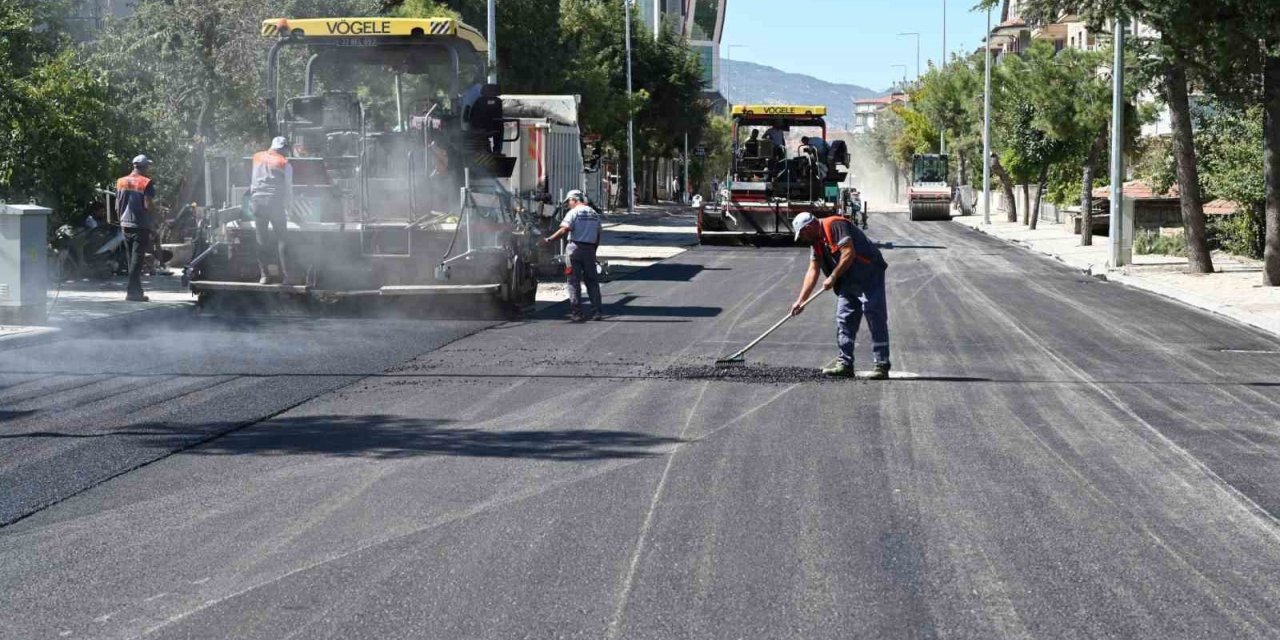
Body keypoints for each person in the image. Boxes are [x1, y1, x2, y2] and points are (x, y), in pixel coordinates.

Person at [789, 211, 890, 379]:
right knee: (844, 318)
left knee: (874, 315)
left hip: (868, 274)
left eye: (803, 234)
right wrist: (801, 301)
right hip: (847, 279)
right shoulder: (816, 243)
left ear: (809, 227)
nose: (803, 239)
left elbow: (848, 252)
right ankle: (845, 364)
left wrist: (833, 276)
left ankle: (882, 365)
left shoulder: (834, 225)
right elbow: (813, 270)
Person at [544, 189, 603, 322]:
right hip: (590, 250)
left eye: (569, 201)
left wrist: (549, 240)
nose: (569, 204)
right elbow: (598, 235)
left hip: (574, 250)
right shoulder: (594, 214)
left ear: (574, 199)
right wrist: (593, 251)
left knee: (573, 281)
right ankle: (597, 312)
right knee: (592, 281)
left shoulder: (574, 212)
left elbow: (564, 229)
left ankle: (577, 313)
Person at [250, 136, 294, 284]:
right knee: (282, 239)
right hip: (274, 202)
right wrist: (289, 207)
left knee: (261, 239)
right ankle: (287, 277)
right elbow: (288, 189)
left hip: (257, 202)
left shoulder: (256, 158)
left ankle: (264, 275)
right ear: (283, 149)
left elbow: (253, 180)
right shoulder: (284, 163)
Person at [116, 155, 156, 302]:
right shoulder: (146, 182)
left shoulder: (121, 181)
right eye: (148, 167)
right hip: (141, 225)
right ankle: (131, 293)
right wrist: (155, 219)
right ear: (144, 167)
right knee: (137, 261)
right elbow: (148, 205)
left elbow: (117, 204)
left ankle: (137, 292)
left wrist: (120, 220)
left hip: (125, 224)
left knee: (131, 259)